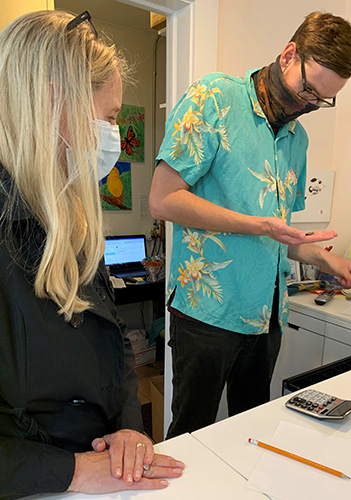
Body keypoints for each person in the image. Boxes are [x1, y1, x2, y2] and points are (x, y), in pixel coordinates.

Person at [149, 11, 351, 439]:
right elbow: (162, 199)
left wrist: (324, 258)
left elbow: (278, 237)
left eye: (322, 101)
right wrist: (259, 226)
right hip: (207, 313)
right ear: (289, 55)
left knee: (252, 434)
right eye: (308, 90)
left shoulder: (297, 139)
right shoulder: (214, 98)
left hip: (267, 318)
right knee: (192, 435)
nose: (309, 105)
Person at [0, 10, 184, 499]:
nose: (113, 135)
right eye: (107, 117)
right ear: (52, 105)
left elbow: (113, 342)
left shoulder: (71, 220)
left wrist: (128, 428)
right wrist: (72, 472)